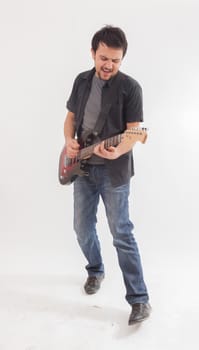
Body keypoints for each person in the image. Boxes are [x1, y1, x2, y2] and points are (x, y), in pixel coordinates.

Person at [63, 25, 151, 326]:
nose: (108, 65)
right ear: (93, 53)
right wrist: (68, 141)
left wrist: (121, 148)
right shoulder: (81, 81)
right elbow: (71, 117)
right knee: (81, 228)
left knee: (122, 234)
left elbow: (134, 131)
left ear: (122, 58)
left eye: (115, 60)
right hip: (83, 168)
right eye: (103, 58)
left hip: (114, 173)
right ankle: (95, 269)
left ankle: (140, 300)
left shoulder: (131, 88)